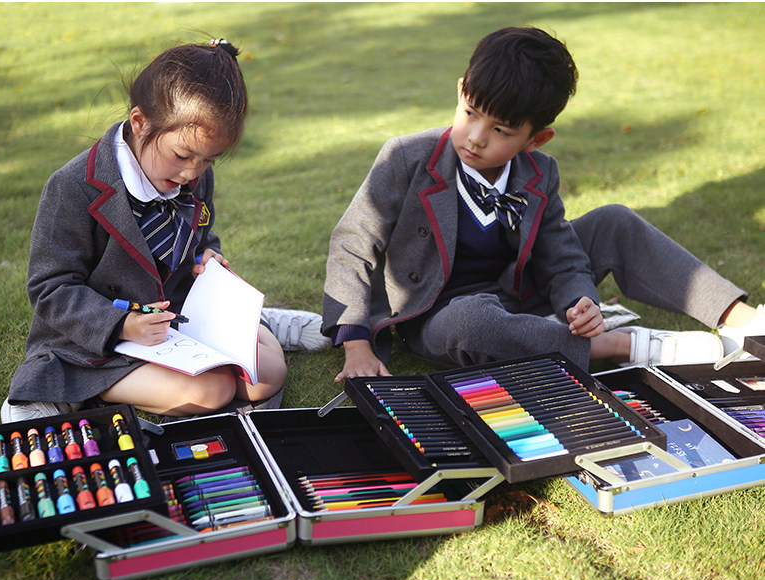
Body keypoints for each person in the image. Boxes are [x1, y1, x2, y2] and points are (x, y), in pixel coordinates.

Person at [323, 26, 764, 383]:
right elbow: (352, 244)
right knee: (475, 320)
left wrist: (580, 300)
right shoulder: (406, 157)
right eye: (471, 112)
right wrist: (356, 344)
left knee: (614, 220)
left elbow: (561, 254)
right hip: (439, 316)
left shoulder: (540, 171)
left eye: (501, 130)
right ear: (461, 91)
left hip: (521, 293)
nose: (476, 137)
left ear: (536, 139)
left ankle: (741, 319)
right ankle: (616, 345)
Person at [3, 39, 328, 424]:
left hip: (176, 323)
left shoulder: (193, 176)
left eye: (208, 160)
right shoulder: (73, 187)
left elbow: (201, 237)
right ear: (139, 122)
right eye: (182, 156)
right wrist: (122, 325)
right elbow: (51, 288)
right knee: (213, 391)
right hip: (97, 339)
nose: (192, 172)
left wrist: (207, 258)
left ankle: (255, 323)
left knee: (266, 377)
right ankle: (72, 388)